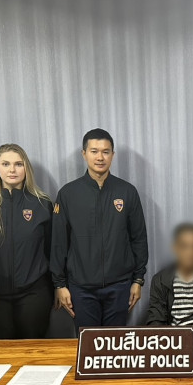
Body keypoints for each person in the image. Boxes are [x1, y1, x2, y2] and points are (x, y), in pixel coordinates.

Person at [51, 128, 148, 329]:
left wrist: (138, 280)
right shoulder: (68, 194)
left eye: (105, 151)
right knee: (88, 344)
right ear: (84, 153)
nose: (100, 157)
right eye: (94, 151)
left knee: (116, 344)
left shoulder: (127, 191)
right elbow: (59, 243)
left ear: (113, 154)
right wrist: (59, 284)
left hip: (120, 286)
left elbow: (138, 238)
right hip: (81, 289)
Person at [0, 144, 54, 339]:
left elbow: (51, 250)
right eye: (6, 164)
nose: (12, 170)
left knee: (32, 351)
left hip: (34, 294)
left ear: (26, 168)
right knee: (1, 353)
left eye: (18, 164)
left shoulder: (42, 205)